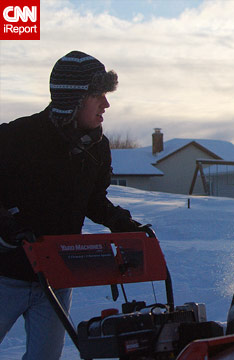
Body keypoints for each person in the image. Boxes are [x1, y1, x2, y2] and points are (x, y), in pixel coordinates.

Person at [0, 50, 147, 359]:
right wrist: (7, 224)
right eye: (98, 95)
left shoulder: (97, 146)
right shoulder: (16, 138)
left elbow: (92, 200)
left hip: (55, 277)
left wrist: (118, 220)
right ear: (75, 99)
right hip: (6, 274)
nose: (106, 104)